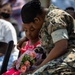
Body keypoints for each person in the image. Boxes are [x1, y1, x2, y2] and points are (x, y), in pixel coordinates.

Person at [18, 0, 75, 74]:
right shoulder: (45, 20)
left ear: (36, 20)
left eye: (32, 27)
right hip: (61, 57)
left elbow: (61, 46)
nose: (34, 29)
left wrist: (40, 67)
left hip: (70, 56)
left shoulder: (55, 19)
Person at [0, 3, 19, 70]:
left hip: (8, 56)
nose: (5, 12)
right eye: (4, 9)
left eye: (8, 10)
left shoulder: (7, 25)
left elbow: (11, 45)